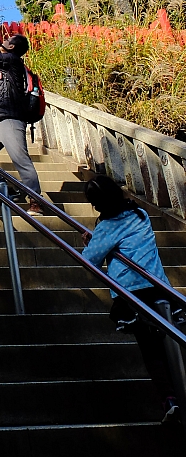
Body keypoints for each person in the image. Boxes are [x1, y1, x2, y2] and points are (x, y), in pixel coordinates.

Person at [82, 174, 185, 423]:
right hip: (159, 288)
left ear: (97, 204)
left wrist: (93, 240)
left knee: (150, 350)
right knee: (170, 344)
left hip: (132, 294)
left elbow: (90, 260)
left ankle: (169, 399)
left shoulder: (107, 226)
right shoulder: (141, 215)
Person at [0, 28, 43, 217]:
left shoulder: (12, 61)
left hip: (11, 119)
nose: (4, 41)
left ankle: (35, 200)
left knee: (21, 161)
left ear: (11, 47)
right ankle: (5, 187)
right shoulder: (5, 66)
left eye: (7, 40)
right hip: (1, 121)